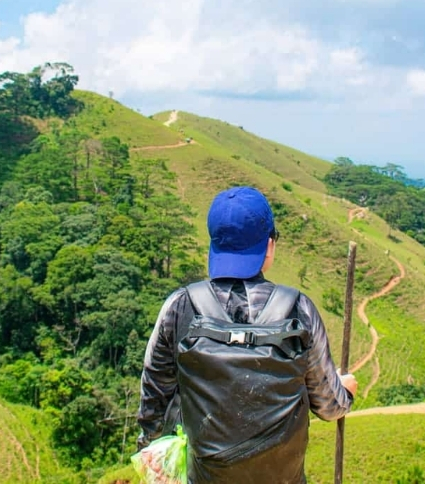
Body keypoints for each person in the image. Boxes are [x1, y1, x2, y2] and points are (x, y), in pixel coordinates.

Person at [136, 185, 358, 483]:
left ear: (213, 246)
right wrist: (346, 390)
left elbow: (153, 402)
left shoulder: (180, 307)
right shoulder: (299, 309)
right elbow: (330, 407)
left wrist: (152, 455)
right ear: (269, 246)